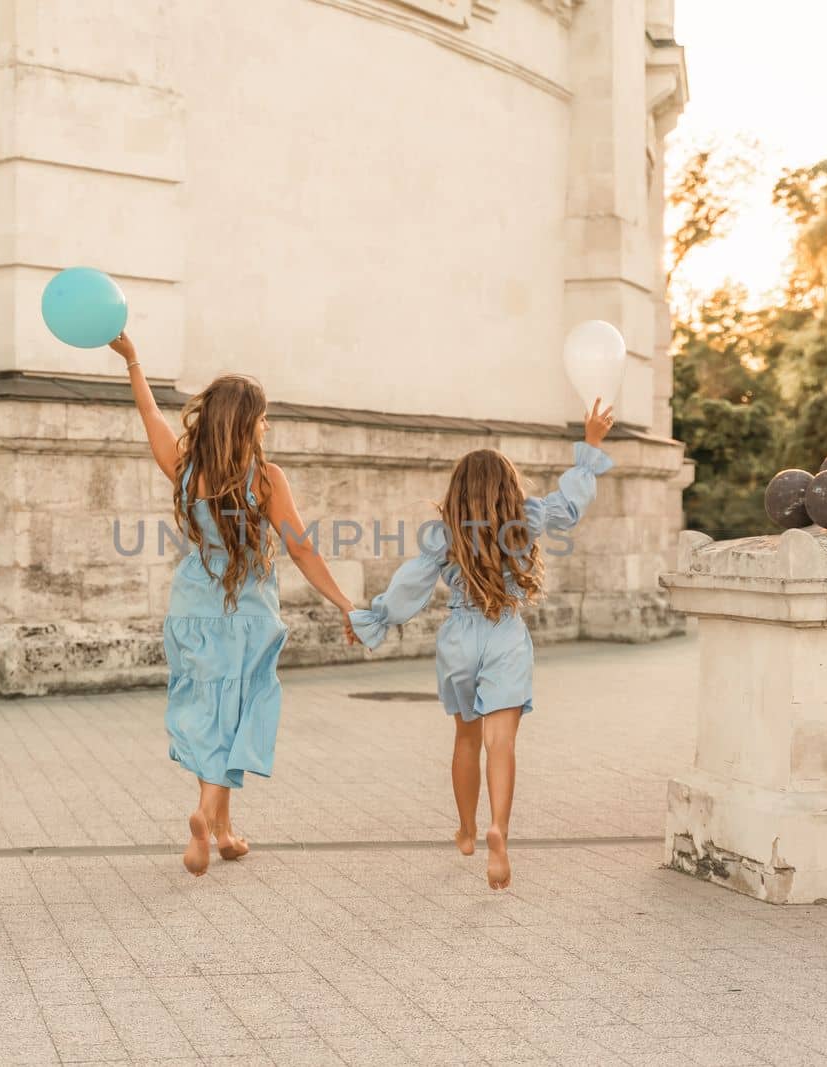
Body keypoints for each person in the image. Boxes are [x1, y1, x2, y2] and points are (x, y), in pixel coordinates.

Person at [110, 331, 357, 876]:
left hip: (191, 610)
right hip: (245, 616)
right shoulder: (266, 479)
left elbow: (149, 413)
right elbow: (301, 548)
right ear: (247, 423)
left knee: (210, 713)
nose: (267, 426)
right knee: (238, 715)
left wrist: (133, 360)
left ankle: (221, 829)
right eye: (263, 417)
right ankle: (203, 814)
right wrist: (343, 602)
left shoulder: (185, 468)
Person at [348, 400, 615, 889]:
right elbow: (570, 504)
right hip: (505, 632)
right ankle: (500, 832)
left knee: (466, 740)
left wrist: (376, 619)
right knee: (502, 743)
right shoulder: (528, 518)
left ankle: (468, 831)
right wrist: (590, 444)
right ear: (509, 489)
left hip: (458, 638)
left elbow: (411, 584)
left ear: (457, 491)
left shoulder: (444, 533)